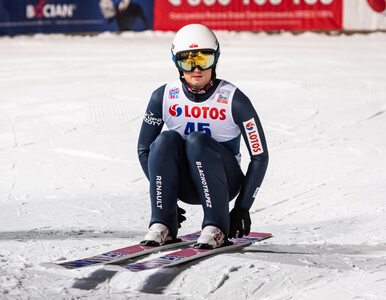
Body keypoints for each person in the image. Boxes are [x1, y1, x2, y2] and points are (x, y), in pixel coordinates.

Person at [137, 24, 268, 249]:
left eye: (204, 60)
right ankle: (162, 222)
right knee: (165, 140)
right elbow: (144, 149)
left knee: (197, 141)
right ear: (176, 63)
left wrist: (242, 207)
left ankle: (216, 225)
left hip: (224, 183)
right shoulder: (164, 96)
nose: (196, 69)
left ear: (216, 59)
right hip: (184, 184)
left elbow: (260, 156)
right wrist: (163, 195)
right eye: (187, 61)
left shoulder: (234, 100)